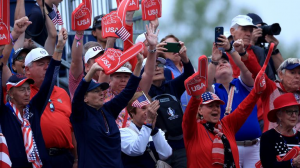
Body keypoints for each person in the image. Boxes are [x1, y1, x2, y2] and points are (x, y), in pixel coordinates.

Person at [0, 27, 66, 167]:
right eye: (21, 90)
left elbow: (49, 80)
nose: (27, 93)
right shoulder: (4, 112)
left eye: (27, 89)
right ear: (10, 93)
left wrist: (59, 47)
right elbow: (2, 65)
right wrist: (12, 38)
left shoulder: (33, 108)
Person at [183, 67, 266, 168]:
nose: (215, 109)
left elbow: (243, 109)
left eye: (217, 106)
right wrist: (196, 97)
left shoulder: (226, 125)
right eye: (210, 106)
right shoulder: (193, 129)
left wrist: (256, 92)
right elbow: (189, 116)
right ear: (200, 110)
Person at [71, 56, 142, 167]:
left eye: (101, 90)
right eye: (95, 91)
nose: (101, 93)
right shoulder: (80, 115)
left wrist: (139, 64)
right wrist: (92, 70)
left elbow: (128, 92)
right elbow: (77, 97)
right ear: (85, 98)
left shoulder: (108, 110)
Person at [24, 30, 76, 168]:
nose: (47, 67)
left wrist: (76, 159)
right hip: (39, 158)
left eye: (48, 63)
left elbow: (71, 128)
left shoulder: (62, 93)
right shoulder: (23, 94)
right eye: (41, 64)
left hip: (65, 158)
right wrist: (59, 48)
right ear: (27, 70)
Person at [207, 41, 261, 168]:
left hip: (253, 148)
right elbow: (205, 84)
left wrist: (231, 49)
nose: (221, 64)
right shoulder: (213, 89)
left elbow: (246, 69)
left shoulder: (244, 84)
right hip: (227, 146)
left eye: (225, 62)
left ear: (232, 68)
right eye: (217, 64)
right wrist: (213, 61)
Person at [149, 40, 193, 168]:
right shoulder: (143, 91)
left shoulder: (172, 86)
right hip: (157, 149)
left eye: (160, 65)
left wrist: (184, 58)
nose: (157, 68)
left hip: (180, 147)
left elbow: (189, 74)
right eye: (153, 65)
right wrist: (153, 52)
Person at [241, 56, 300, 132]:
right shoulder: (271, 88)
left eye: (299, 73)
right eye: (292, 72)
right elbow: (257, 71)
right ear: (281, 74)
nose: (297, 76)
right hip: (272, 140)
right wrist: (244, 54)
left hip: (297, 141)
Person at [120, 92, 172, 167]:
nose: (148, 112)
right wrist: (148, 124)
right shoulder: (123, 132)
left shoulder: (157, 131)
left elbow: (166, 154)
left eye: (150, 108)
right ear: (132, 113)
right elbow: (138, 150)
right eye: (143, 108)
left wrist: (154, 131)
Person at [218, 15, 276, 81]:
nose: (248, 34)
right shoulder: (222, 53)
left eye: (251, 31)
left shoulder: (259, 52)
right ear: (232, 31)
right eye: (244, 29)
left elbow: (270, 80)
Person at [260, 93, 300, 168]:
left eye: (296, 111)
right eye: (289, 111)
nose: (294, 115)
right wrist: (292, 163)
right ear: (279, 115)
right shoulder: (268, 137)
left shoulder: (299, 135)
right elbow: (268, 166)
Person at [156, 34, 193, 112]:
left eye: (176, 45)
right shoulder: (162, 71)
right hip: (175, 115)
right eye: (169, 47)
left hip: (193, 115)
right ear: (162, 52)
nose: (174, 50)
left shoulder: (190, 67)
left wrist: (185, 57)